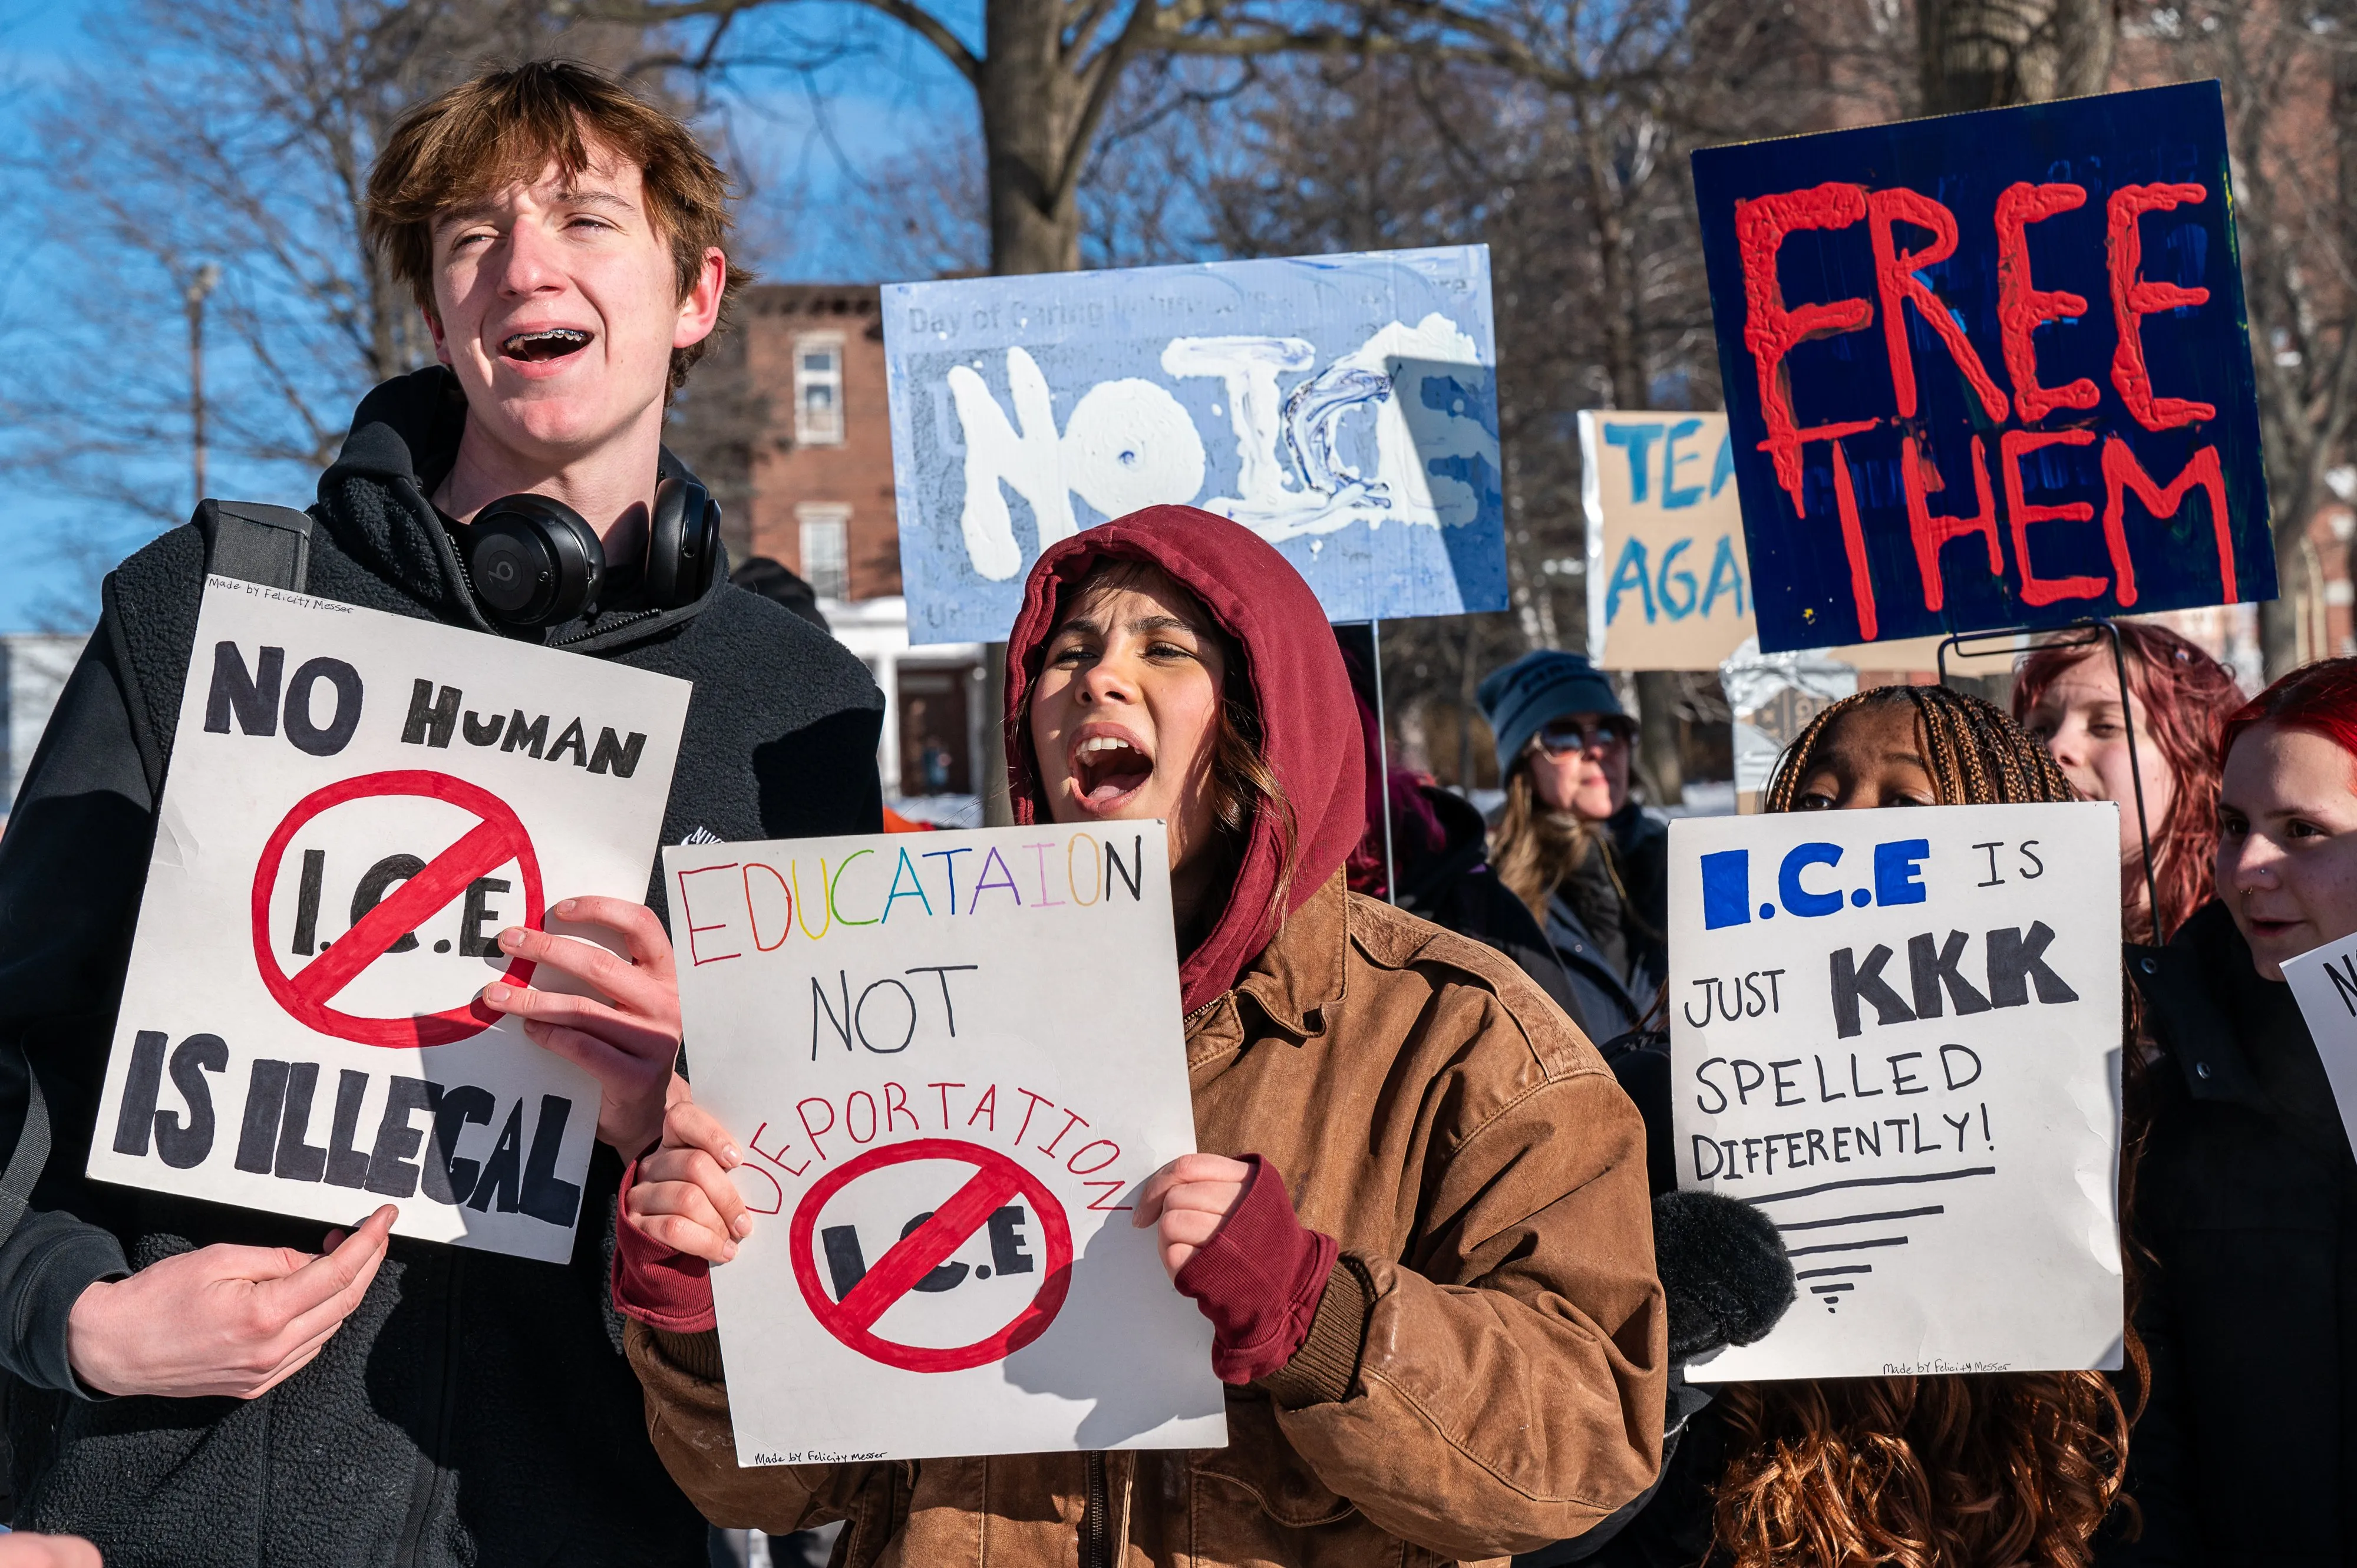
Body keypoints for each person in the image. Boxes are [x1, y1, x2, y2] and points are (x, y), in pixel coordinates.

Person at [0, 61, 882, 1564]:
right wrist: (71, 1314)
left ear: (696, 295)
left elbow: (840, 1189)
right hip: (177, 1516)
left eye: (589, 222)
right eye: (474, 237)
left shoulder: (797, 707)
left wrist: (686, 1096)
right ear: (436, 315)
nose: (526, 266)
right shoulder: (207, 607)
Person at [610, 504, 1670, 1564]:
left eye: (1164, 649)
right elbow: (778, 1493)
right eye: (1068, 653)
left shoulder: (1459, 1038)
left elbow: (1586, 1448)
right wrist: (711, 1320)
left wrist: (1325, 1319)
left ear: (1265, 717)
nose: (1096, 679)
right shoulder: (898, 1004)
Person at [1587, 684, 2140, 1568]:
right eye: (1815, 799)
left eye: (1904, 799)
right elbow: (1556, 1515)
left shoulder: (2128, 1120)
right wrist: (1663, 1352)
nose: (1842, 825)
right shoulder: (1648, 1113)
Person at [2119, 655, 2357, 1562]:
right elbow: (2149, 1437)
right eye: (2232, 824)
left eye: (2303, 829)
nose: (2249, 864)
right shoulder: (2174, 1071)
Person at [1477, 651, 1666, 1042]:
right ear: (1524, 765)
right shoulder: (1489, 902)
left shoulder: (1679, 864)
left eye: (1610, 729)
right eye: (1563, 735)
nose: (1596, 749)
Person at [2015, 623, 2242, 944]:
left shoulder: (2254, 944)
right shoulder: (1997, 930)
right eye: (2040, 729)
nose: (2054, 748)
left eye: (2105, 726)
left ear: (2194, 759)